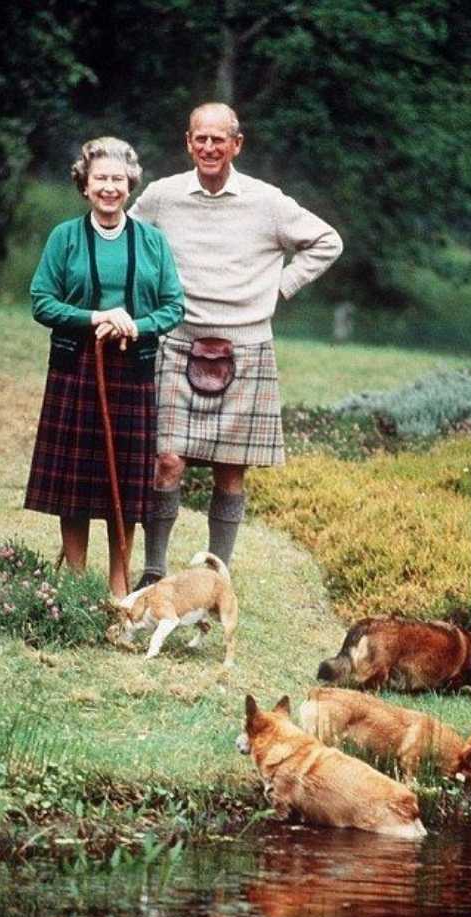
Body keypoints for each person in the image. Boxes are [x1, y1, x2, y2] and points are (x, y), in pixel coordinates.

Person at [127, 102, 343, 586]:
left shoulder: (268, 203)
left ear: (236, 144)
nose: (208, 148)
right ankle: (153, 571)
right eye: (200, 139)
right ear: (188, 142)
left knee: (230, 470)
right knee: (167, 460)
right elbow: (130, 240)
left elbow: (327, 241)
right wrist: (145, 295)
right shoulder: (162, 196)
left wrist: (280, 288)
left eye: (218, 140)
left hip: (245, 348)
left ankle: (215, 576)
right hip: (178, 341)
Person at [25, 137, 185, 597]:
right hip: (76, 371)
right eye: (101, 179)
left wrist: (135, 325)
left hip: (132, 374)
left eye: (118, 179)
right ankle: (76, 581)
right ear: (85, 184)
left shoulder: (153, 243)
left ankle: (119, 588)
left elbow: (174, 306)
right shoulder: (65, 237)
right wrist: (95, 317)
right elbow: (42, 301)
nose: (110, 188)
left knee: (127, 486)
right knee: (75, 482)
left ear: (131, 184)